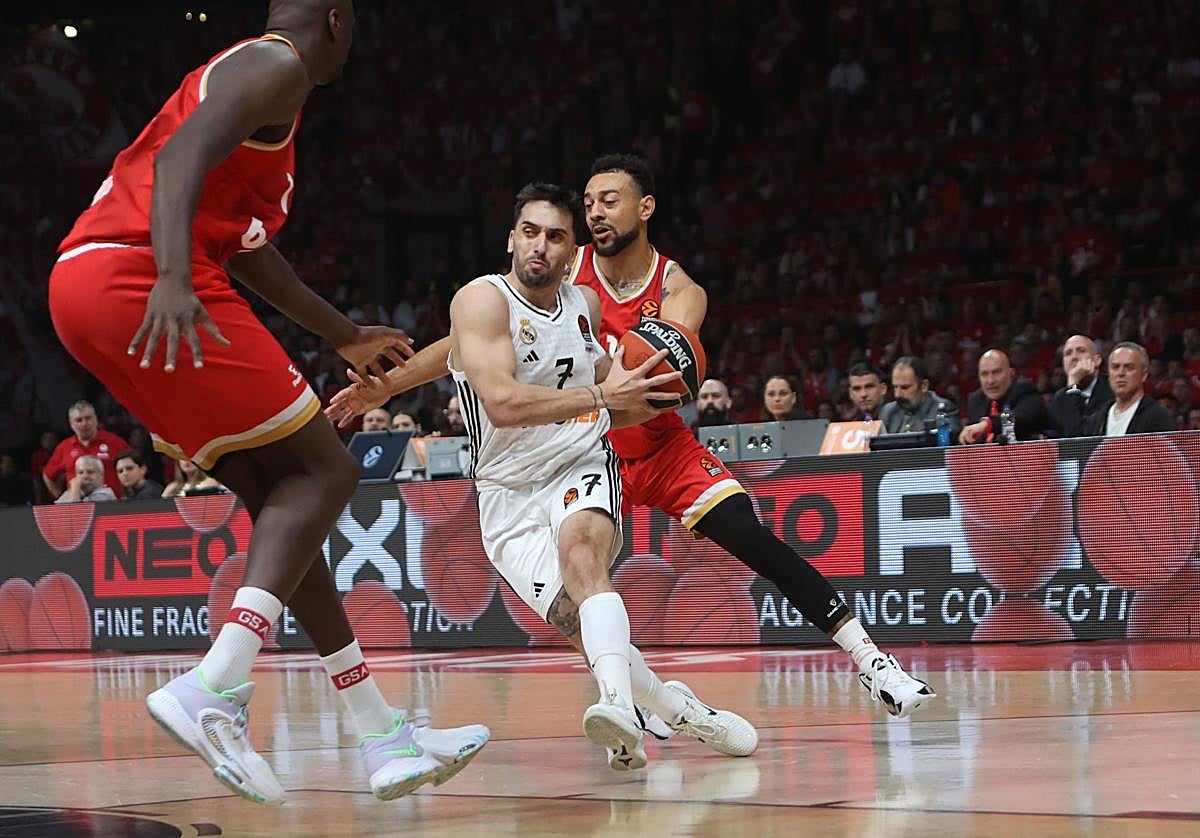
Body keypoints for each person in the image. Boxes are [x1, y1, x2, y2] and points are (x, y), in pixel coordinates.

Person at [46, 0, 486, 805]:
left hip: (88, 284)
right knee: (326, 471)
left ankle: (380, 733)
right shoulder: (276, 62)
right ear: (338, 19)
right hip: (141, 274)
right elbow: (180, 158)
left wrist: (343, 331)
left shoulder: (259, 91)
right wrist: (174, 278)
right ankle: (216, 684)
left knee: (287, 502)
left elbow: (251, 253)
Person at [328, 155, 935, 723]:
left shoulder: (679, 292)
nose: (594, 213)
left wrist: (628, 382)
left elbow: (665, 377)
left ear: (644, 208)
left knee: (754, 539)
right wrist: (390, 386)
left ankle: (872, 662)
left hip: (659, 446)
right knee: (578, 591)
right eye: (588, 203)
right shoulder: (567, 272)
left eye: (608, 201)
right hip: (584, 446)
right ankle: (646, 701)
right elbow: (472, 338)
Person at [444, 182, 756, 770]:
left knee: (582, 554)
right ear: (511, 239)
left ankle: (617, 703)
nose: (542, 246)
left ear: (571, 252)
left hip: (579, 456)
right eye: (531, 232)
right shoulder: (481, 301)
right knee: (576, 621)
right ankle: (677, 707)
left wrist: (663, 392)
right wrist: (600, 395)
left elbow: (621, 393)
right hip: (505, 490)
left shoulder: (583, 306)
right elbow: (503, 404)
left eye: (557, 236)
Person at [960, 348, 1056, 443]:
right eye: (984, 374)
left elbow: (1022, 418)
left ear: (1011, 373)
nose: (990, 381)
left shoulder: (1025, 389)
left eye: (996, 372)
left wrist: (987, 424)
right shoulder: (975, 400)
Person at [42, 401, 129, 500]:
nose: (84, 423)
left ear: (95, 419)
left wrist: (126, 496)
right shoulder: (64, 447)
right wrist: (61, 497)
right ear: (71, 424)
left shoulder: (114, 442)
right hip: (77, 508)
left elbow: (133, 467)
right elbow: (48, 475)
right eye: (79, 420)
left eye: (88, 418)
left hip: (111, 505)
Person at [1085, 342, 1177, 436]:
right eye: (1115, 367)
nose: (1120, 373)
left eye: (1129, 367)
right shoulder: (1096, 419)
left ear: (1144, 375)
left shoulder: (1159, 417)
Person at [880, 356, 961, 436]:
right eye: (895, 387)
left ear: (924, 386)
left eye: (905, 387)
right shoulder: (888, 411)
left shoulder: (943, 409)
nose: (897, 395)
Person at [1051, 334, 1113, 438]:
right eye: (1068, 353)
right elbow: (1070, 441)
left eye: (1081, 351)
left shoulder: (1112, 389)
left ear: (1097, 360)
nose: (1074, 357)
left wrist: (1073, 384)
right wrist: (1073, 385)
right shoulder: (1060, 398)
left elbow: (1082, 439)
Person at [54, 456, 119, 503]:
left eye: (90, 472)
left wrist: (75, 489)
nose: (85, 476)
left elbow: (78, 518)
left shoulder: (106, 494)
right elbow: (56, 513)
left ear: (101, 475)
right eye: (81, 472)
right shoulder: (70, 493)